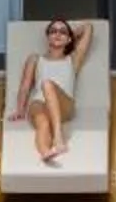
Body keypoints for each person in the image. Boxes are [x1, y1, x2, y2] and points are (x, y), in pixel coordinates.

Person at [9, 18, 93, 165]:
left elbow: (88, 27)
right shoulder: (35, 59)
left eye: (62, 32)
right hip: (39, 103)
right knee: (43, 124)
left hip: (64, 104)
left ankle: (58, 137)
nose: (57, 34)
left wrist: (71, 35)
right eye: (53, 31)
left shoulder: (73, 59)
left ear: (69, 38)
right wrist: (20, 110)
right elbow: (25, 86)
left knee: (47, 84)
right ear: (47, 37)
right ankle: (46, 152)